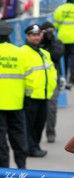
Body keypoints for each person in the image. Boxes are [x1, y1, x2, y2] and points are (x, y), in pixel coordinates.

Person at [20, 24, 57, 157]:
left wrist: (52, 88)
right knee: (29, 125)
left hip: (44, 95)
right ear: (28, 36)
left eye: (38, 35)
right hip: (30, 96)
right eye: (33, 35)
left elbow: (52, 72)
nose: (36, 37)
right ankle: (32, 148)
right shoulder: (22, 52)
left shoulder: (44, 53)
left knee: (39, 124)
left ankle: (33, 146)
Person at [0, 20, 27, 169]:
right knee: (18, 137)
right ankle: (22, 169)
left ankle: (4, 172)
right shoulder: (20, 52)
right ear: (9, 36)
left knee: (1, 141)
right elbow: (28, 76)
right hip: (17, 102)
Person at [40, 21, 65, 143]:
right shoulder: (37, 43)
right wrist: (42, 42)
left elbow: (57, 55)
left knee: (51, 107)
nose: (50, 33)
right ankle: (35, 134)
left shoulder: (57, 42)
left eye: (52, 30)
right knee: (37, 109)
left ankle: (50, 132)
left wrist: (51, 42)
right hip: (37, 80)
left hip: (53, 80)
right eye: (47, 31)